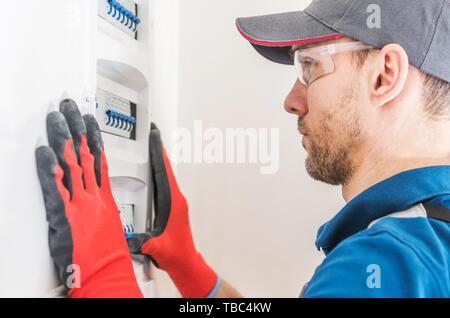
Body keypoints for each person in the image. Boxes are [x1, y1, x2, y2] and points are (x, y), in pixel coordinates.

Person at [36, 0, 450, 298]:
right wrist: (193, 271)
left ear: (384, 76)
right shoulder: (428, 239)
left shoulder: (387, 265)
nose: (292, 100)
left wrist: (106, 278)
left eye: (309, 67)